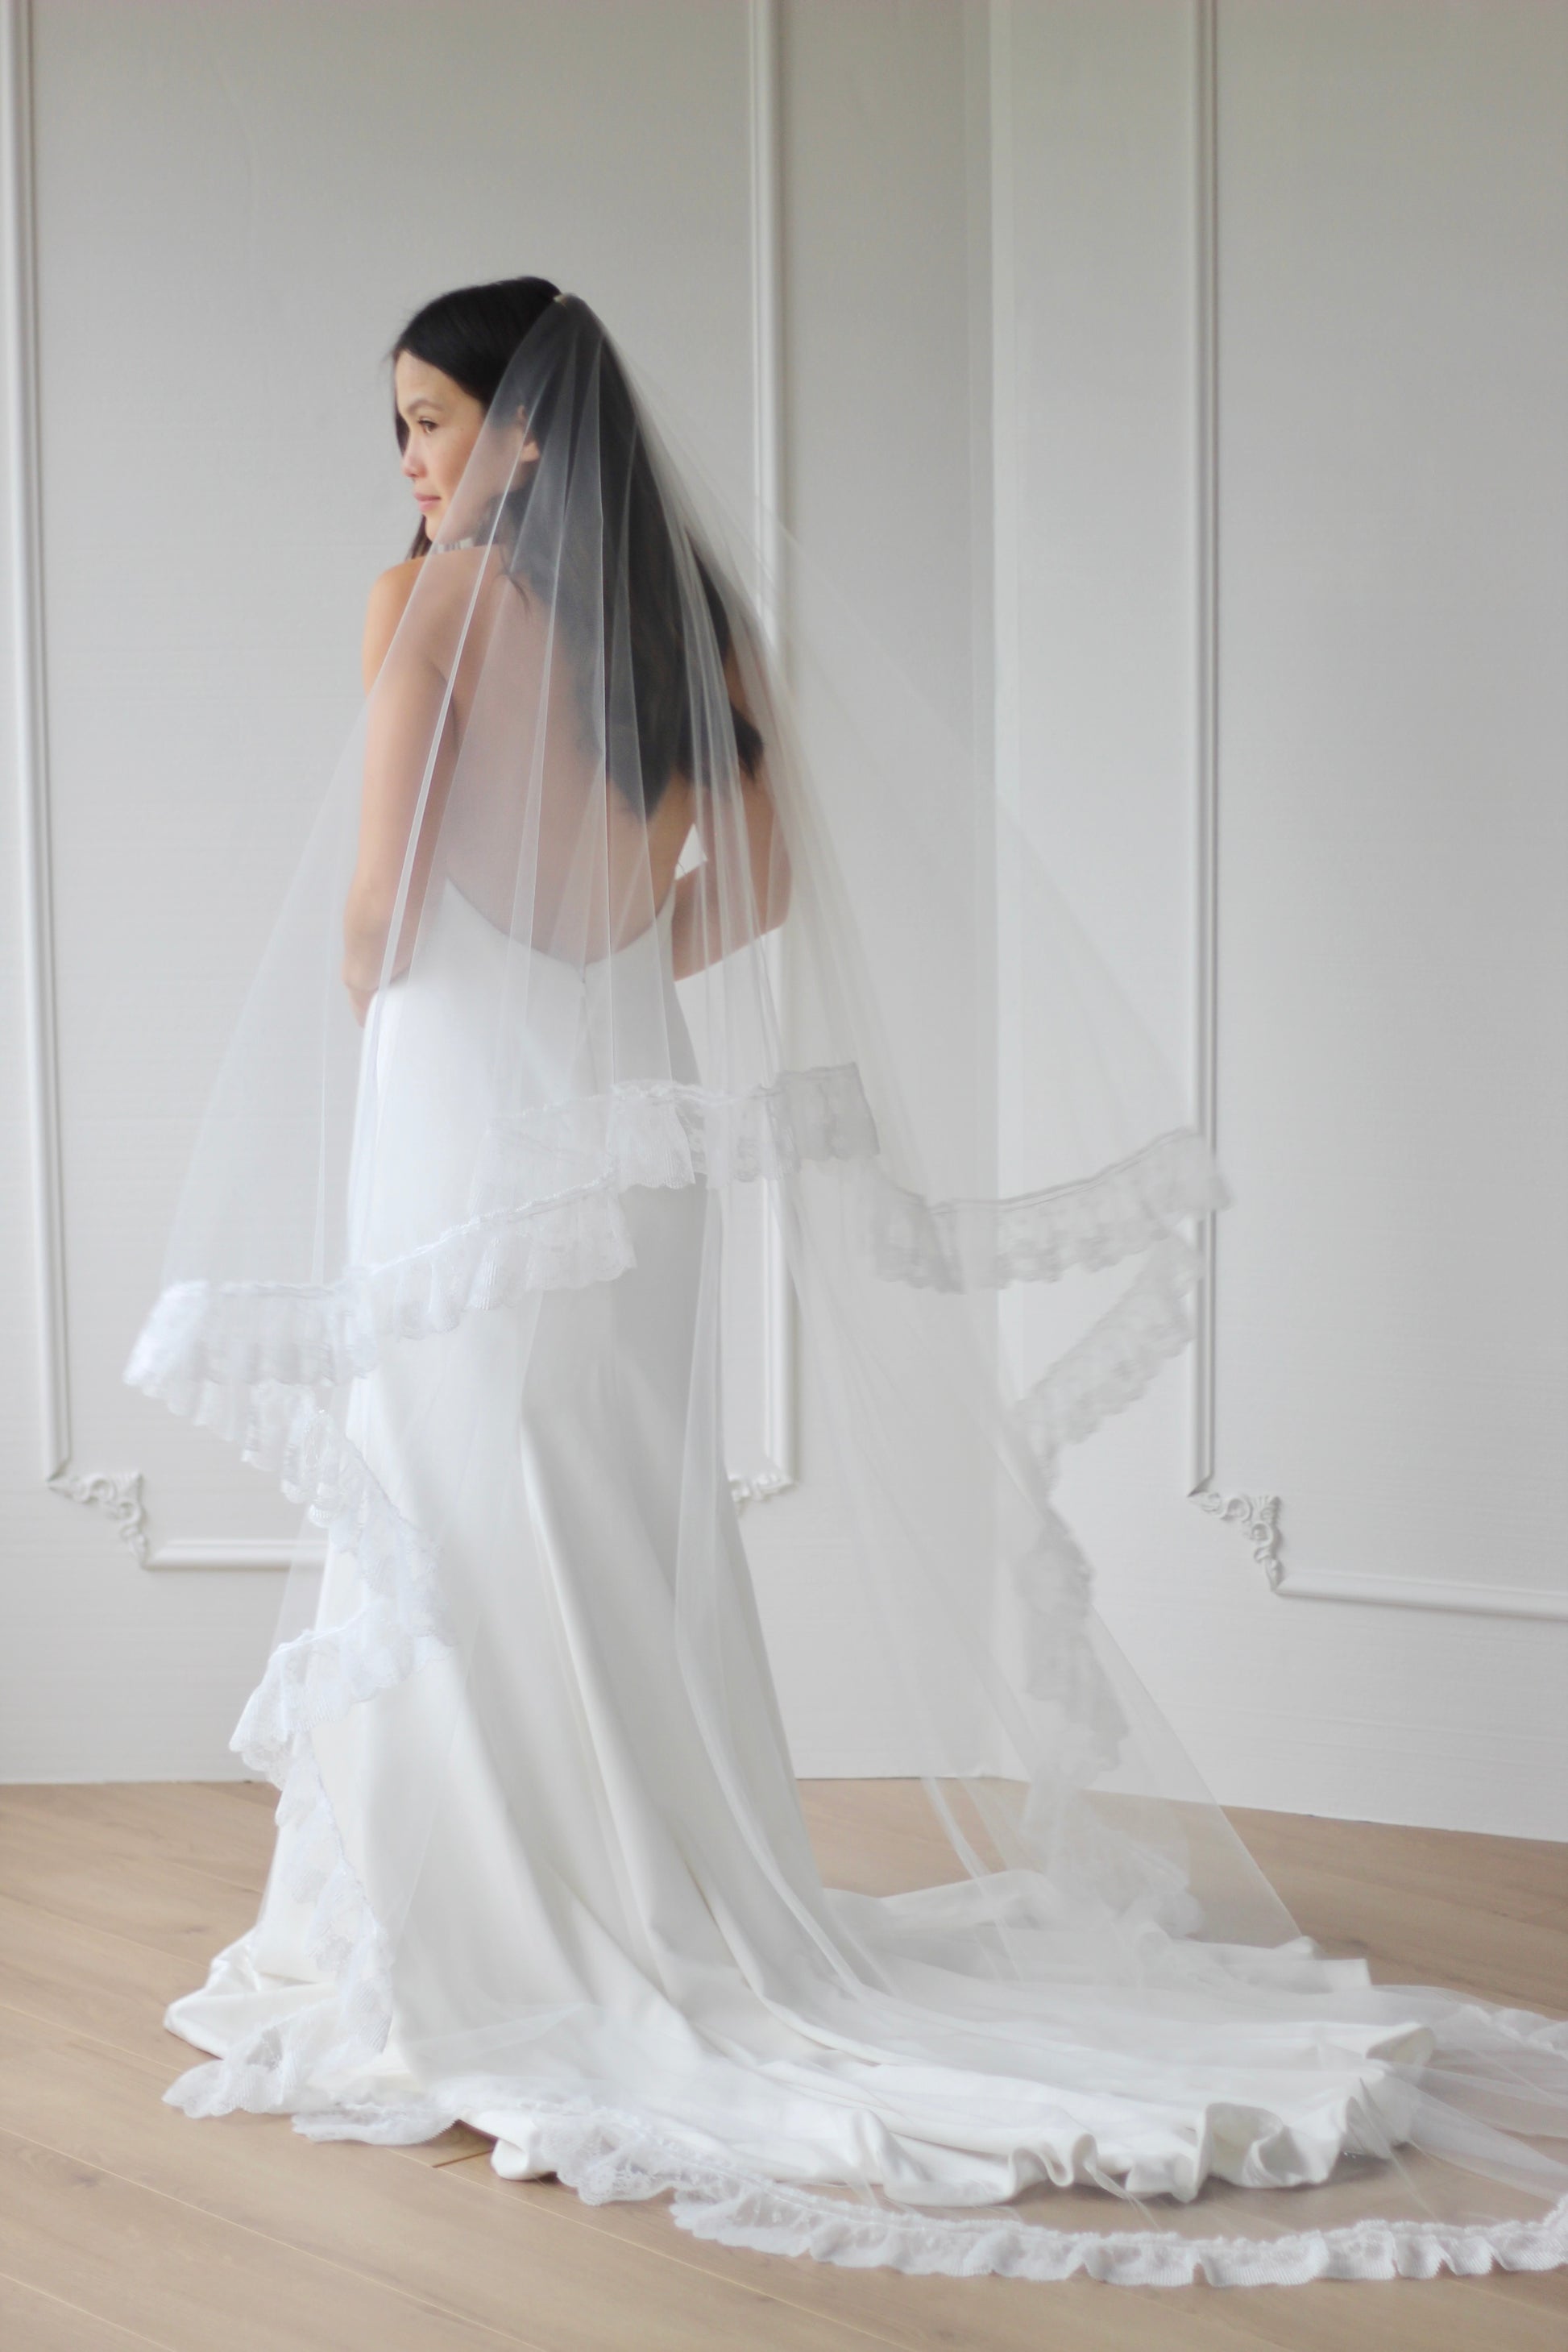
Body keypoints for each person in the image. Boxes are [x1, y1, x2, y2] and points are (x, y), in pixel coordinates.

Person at [126, 277, 1568, 2287]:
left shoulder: (421, 606)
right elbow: (760, 891)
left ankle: (486, 1921)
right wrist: (596, 990)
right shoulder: (687, 623)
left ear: (523, 430)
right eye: (402, 429)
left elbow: (375, 909)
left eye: (430, 420)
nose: (410, 461)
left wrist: (417, 1009)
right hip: (634, 1125)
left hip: (464, 1126)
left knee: (467, 1500)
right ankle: (662, 1893)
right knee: (612, 1513)